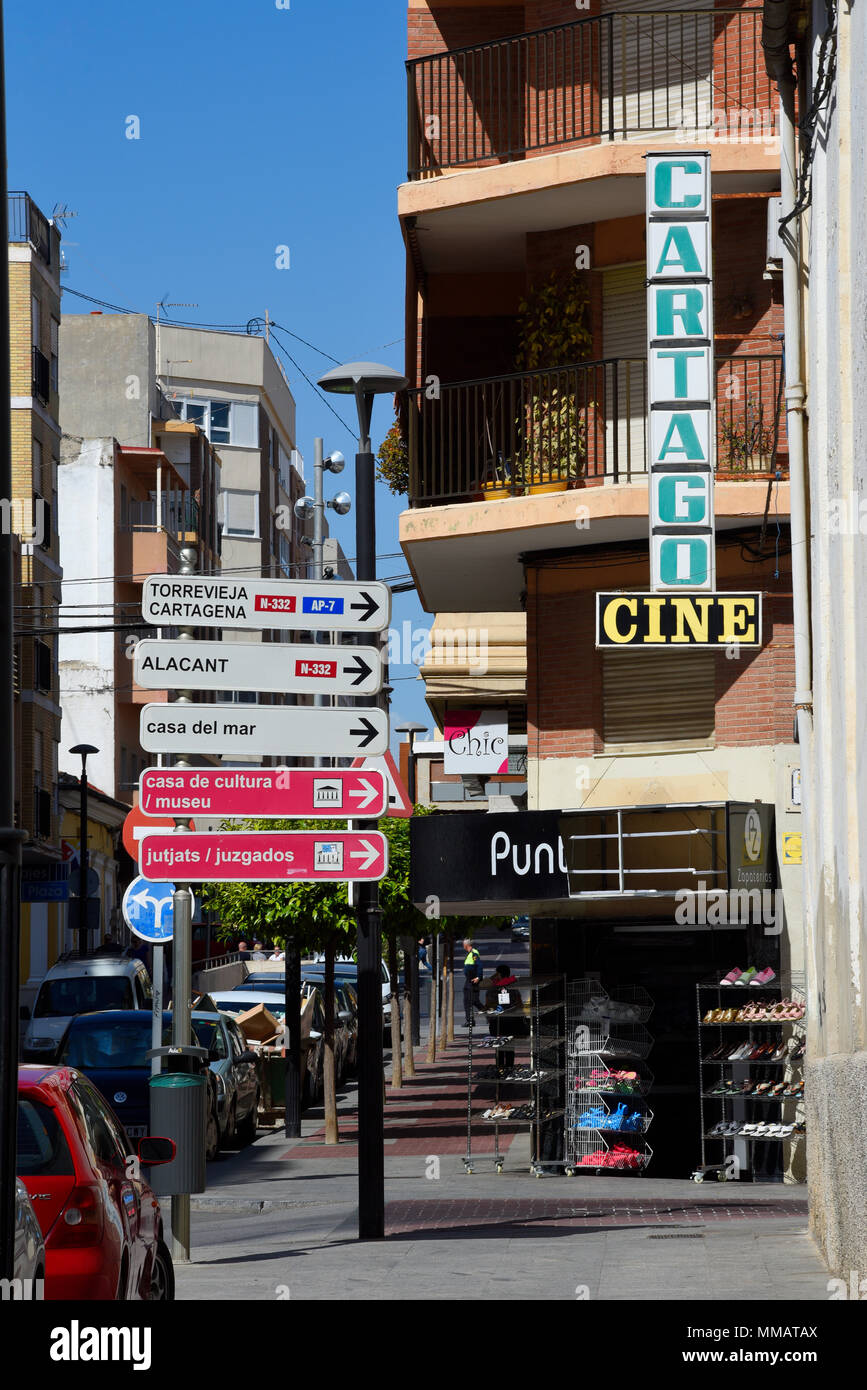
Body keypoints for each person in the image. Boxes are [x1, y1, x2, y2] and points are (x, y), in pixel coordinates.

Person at [485, 964, 523, 1075]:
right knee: (510, 1048)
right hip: (511, 1022)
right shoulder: (513, 988)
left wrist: (490, 1019)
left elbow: (488, 1005)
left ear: (499, 974)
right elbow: (519, 1004)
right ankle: (509, 1071)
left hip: (497, 1023)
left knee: (499, 1049)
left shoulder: (493, 989)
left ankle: (500, 1071)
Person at [462, 938, 482, 1027]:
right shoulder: (470, 953)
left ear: (466, 945)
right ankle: (469, 1020)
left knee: (474, 1000)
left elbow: (479, 965)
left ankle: (489, 1016)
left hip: (473, 980)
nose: (463, 946)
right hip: (469, 980)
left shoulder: (474, 953)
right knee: (467, 1000)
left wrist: (478, 977)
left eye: (463, 945)